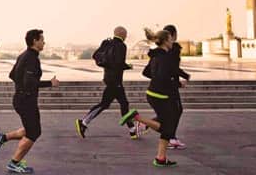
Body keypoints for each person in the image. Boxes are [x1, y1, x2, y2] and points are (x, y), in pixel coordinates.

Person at [0, 29, 59, 174]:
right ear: (35, 41)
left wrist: (21, 87)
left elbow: (12, 75)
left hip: (22, 98)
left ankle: (2, 137)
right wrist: (49, 84)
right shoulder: (32, 58)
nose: (44, 42)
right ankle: (14, 163)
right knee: (34, 132)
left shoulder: (24, 55)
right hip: (26, 101)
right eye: (42, 39)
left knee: (30, 129)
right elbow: (29, 82)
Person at [119, 28, 182, 168]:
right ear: (166, 41)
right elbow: (163, 77)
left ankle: (161, 158)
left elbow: (147, 72)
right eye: (171, 39)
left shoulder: (156, 55)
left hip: (154, 93)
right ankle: (137, 118)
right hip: (161, 95)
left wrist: (160, 80)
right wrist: (177, 83)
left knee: (167, 127)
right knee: (168, 127)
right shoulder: (165, 57)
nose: (173, 42)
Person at [75, 26, 141, 139]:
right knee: (111, 104)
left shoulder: (107, 43)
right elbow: (119, 63)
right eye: (125, 34)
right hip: (115, 81)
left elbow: (95, 56)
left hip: (109, 78)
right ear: (122, 34)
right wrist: (128, 66)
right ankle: (84, 122)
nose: (126, 36)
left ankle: (132, 130)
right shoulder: (121, 46)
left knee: (116, 104)